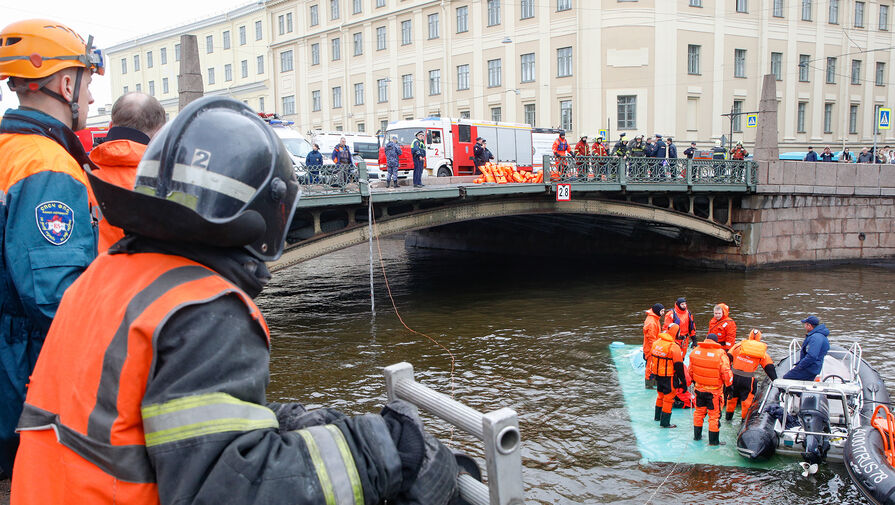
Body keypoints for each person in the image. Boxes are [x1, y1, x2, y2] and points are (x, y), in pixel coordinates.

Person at [11, 96, 460, 505]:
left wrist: (289, 422)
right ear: (267, 209)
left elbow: (163, 419)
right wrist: (382, 448)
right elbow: (228, 489)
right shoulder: (204, 309)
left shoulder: (104, 277)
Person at [0, 18, 104, 477]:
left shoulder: (9, 150)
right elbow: (56, 298)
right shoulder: (47, 165)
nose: (91, 99)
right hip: (22, 382)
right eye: (85, 86)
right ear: (65, 83)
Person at [88, 92, 166, 252]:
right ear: (160, 131)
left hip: (93, 274)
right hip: (147, 275)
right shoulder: (165, 181)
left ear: (110, 126)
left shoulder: (80, 174)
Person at [724, 329, 777, 421]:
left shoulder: (738, 345)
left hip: (733, 377)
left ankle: (728, 419)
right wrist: (775, 381)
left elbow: (727, 358)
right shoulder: (761, 351)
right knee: (746, 402)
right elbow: (769, 367)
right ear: (759, 338)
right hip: (747, 379)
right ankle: (743, 423)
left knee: (731, 399)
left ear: (749, 336)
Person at [691, 334, 733, 445]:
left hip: (699, 389)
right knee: (714, 416)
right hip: (714, 391)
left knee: (699, 413)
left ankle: (697, 436)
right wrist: (729, 386)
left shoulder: (695, 351)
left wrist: (694, 381)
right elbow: (726, 373)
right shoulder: (720, 354)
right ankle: (713, 441)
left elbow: (690, 370)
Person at [648, 332, 686, 428]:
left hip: (658, 375)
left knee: (660, 395)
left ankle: (657, 417)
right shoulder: (673, 347)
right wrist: (683, 381)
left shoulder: (657, 343)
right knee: (668, 398)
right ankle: (665, 423)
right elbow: (678, 365)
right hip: (669, 376)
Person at [782, 316, 831, 381]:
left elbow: (812, 356)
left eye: (805, 324)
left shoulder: (815, 337)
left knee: (786, 379)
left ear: (809, 325)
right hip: (814, 368)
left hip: (809, 369)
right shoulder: (820, 335)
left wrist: (800, 366)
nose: (804, 326)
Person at [643, 303, 664, 389]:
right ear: (657, 311)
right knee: (650, 367)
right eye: (662, 311)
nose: (663, 313)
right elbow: (651, 338)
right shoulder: (652, 322)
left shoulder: (654, 318)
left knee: (653, 366)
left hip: (651, 346)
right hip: (650, 349)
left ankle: (653, 382)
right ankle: (649, 384)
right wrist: (656, 349)